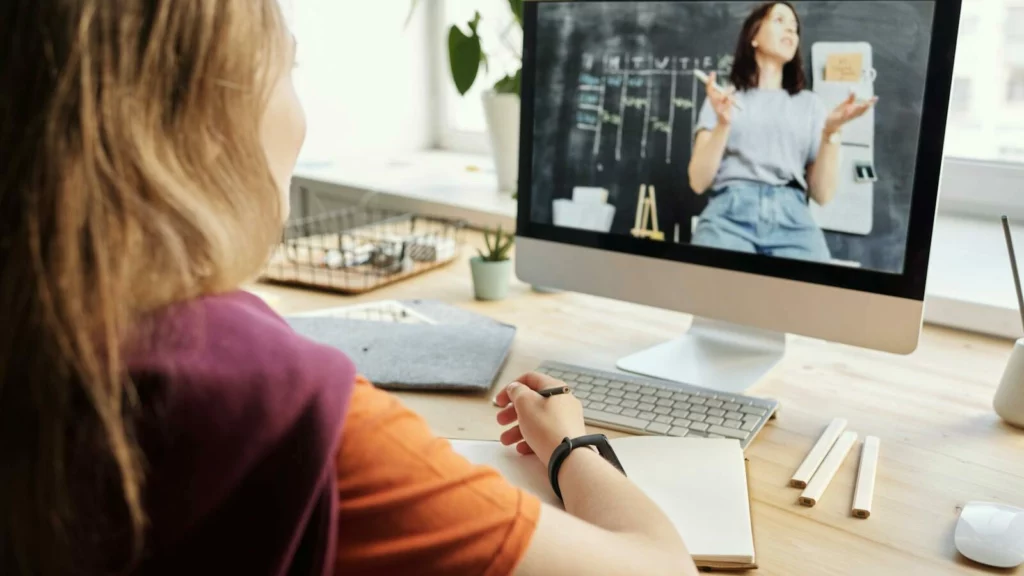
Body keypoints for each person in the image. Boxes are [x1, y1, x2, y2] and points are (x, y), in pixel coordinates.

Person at [0, 2, 698, 575]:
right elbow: (662, 570)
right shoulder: (284, 407)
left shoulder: (52, 337)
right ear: (204, 118)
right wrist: (572, 447)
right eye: (289, 69)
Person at [688, 1, 876, 262]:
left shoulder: (810, 105)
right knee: (710, 283)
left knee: (814, 286)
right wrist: (723, 123)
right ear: (754, 36)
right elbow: (698, 181)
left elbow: (822, 195)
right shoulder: (723, 98)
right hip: (729, 214)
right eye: (779, 20)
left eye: (794, 27)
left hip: (793, 218)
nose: (790, 30)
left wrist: (831, 132)